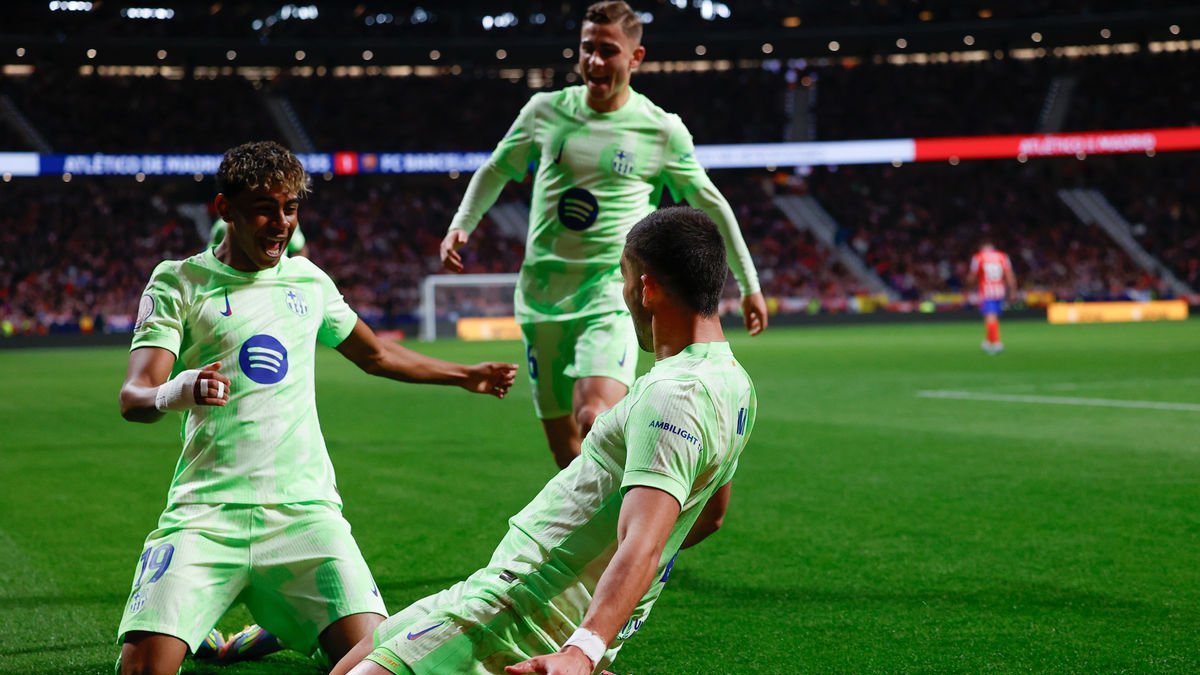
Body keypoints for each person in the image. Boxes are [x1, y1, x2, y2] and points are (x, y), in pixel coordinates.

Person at [115, 141, 518, 675]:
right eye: (263, 208)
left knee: (378, 662)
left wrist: (465, 375)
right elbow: (135, 396)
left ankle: (284, 613)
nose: (280, 223)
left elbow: (376, 355)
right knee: (141, 670)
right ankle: (281, 616)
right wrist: (178, 389)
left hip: (305, 513)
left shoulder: (308, 280)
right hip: (206, 513)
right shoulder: (179, 281)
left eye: (290, 208)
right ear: (224, 210)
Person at [331, 206, 757, 675]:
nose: (624, 292)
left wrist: (583, 647)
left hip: (519, 609)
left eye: (624, 276)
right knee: (350, 663)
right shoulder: (735, 384)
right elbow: (709, 517)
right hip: (501, 588)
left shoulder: (673, 395)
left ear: (646, 288)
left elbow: (644, 541)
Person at [439, 0, 767, 469]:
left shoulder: (660, 129)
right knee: (565, 452)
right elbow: (494, 171)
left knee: (596, 417)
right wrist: (460, 226)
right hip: (541, 294)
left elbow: (712, 203)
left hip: (612, 290)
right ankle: (610, 540)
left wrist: (750, 284)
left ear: (635, 58)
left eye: (607, 50)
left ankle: (645, 524)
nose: (594, 61)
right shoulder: (544, 111)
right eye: (587, 48)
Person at [967, 239, 1017, 354]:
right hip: (1000, 290)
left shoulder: (978, 257)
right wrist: (1013, 291)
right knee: (992, 317)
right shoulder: (1003, 256)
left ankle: (996, 342)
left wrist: (968, 285)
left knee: (990, 317)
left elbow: (972, 276)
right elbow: (1009, 275)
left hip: (987, 291)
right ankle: (989, 341)